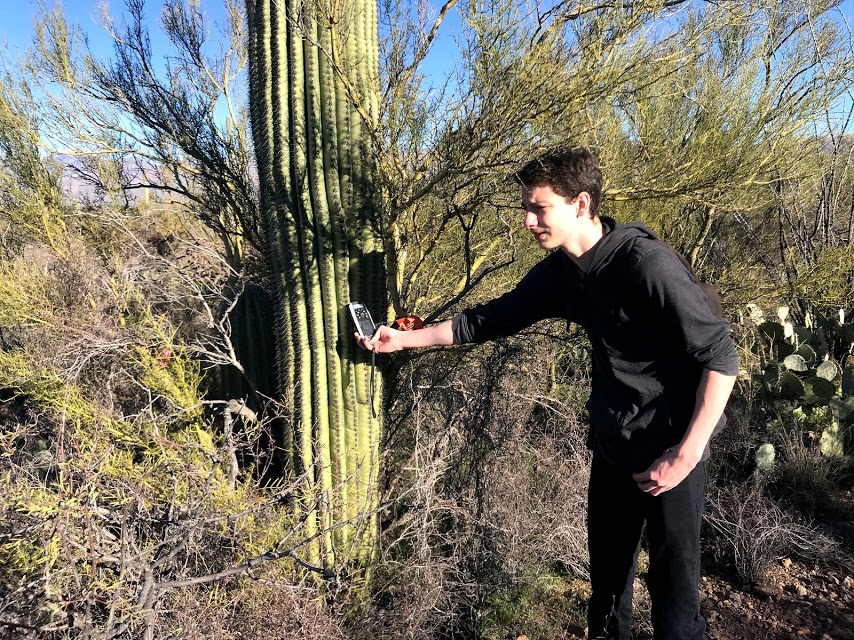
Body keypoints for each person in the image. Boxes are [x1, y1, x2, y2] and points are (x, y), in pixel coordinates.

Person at [355, 146, 738, 640]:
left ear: (580, 204)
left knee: (675, 601)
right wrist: (403, 339)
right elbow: (490, 318)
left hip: (673, 447)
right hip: (615, 446)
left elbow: (721, 357)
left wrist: (686, 455)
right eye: (526, 209)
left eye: (539, 208)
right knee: (606, 594)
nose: (529, 220)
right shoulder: (564, 272)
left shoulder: (646, 265)